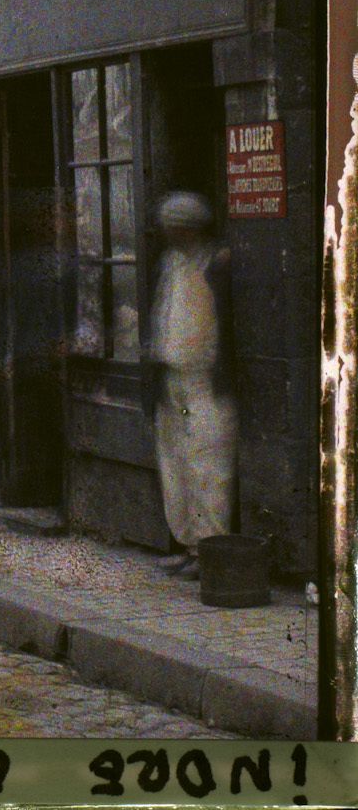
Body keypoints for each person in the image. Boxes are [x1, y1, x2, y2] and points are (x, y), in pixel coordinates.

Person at [146, 190, 237, 578]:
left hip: (204, 379)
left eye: (176, 227)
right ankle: (188, 543)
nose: (171, 234)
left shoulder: (216, 262)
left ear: (190, 228)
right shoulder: (171, 263)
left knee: (207, 463)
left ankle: (209, 549)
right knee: (175, 462)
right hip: (172, 377)